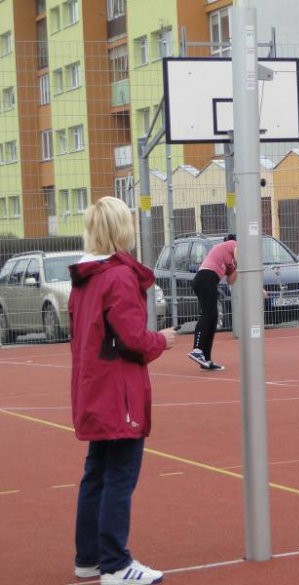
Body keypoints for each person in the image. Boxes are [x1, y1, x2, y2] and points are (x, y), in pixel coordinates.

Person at [69, 197, 176, 585]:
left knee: (96, 473)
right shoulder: (117, 277)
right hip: (118, 392)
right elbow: (131, 338)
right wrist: (160, 340)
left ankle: (89, 558)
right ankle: (115, 564)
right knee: (118, 477)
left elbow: (94, 338)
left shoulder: (84, 278)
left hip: (94, 387)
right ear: (122, 230)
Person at [188, 234, 238, 371]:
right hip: (205, 277)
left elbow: (230, 281)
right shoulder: (232, 244)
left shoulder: (231, 261)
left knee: (213, 317)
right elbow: (241, 256)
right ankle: (197, 349)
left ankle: (206, 360)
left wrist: (236, 267)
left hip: (210, 281)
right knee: (208, 314)